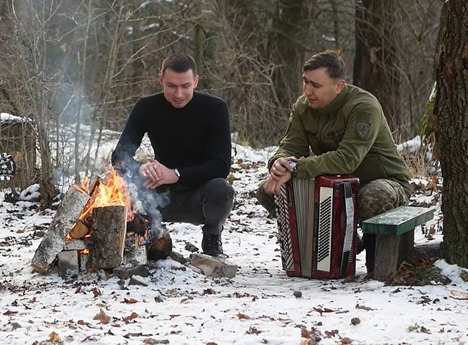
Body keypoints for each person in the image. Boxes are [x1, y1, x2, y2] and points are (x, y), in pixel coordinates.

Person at [255, 50, 411, 275]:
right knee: (268, 190)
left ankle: (370, 251)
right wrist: (279, 163)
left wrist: (298, 168)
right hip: (332, 185)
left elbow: (347, 159)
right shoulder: (303, 107)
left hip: (381, 182)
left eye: (316, 86)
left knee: (371, 197)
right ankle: (312, 251)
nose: (308, 91)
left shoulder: (363, 106)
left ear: (339, 86)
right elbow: (291, 145)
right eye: (305, 82)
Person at [111, 54, 234, 258]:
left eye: (185, 86)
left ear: (195, 81)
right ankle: (151, 234)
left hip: (200, 194)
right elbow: (118, 157)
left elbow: (221, 165)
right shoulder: (146, 107)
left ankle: (212, 234)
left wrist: (176, 174)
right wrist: (140, 167)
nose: (178, 94)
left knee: (222, 189)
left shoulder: (215, 108)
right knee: (125, 182)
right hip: (158, 194)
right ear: (161, 81)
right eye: (171, 86)